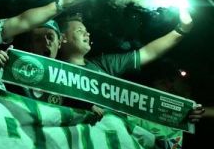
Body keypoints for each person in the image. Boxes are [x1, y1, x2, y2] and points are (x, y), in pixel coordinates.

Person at [56, 12, 196, 115]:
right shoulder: (53, 73)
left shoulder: (103, 64)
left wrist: (181, 30)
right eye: (80, 31)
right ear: (63, 38)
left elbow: (148, 53)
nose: (87, 34)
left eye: (87, 31)